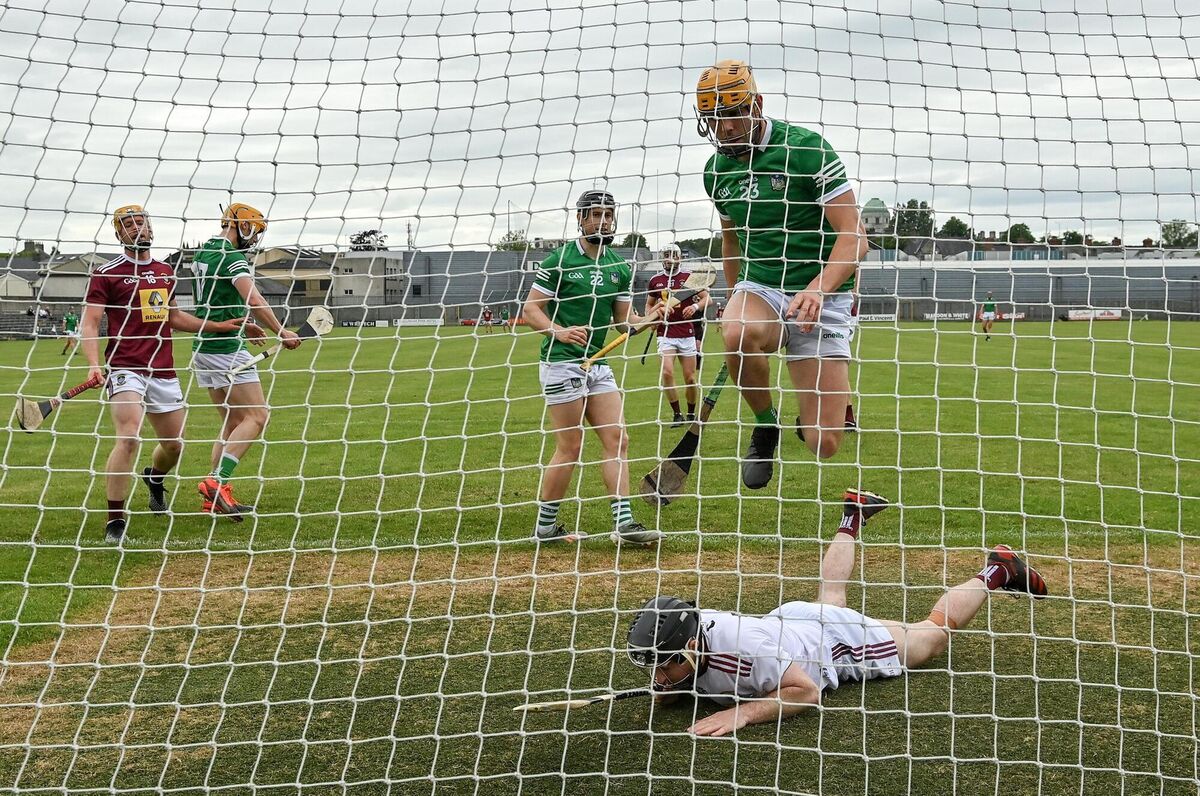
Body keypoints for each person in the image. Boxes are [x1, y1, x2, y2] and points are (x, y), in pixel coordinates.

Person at [625, 490, 1048, 736]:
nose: (658, 675)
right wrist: (669, 688)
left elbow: (806, 692)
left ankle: (998, 569)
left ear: (694, 646)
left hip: (831, 641)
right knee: (831, 595)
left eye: (665, 665)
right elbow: (684, 681)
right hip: (789, 622)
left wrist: (745, 711)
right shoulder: (689, 638)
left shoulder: (744, 650)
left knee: (931, 638)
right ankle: (853, 514)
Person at [697, 60, 868, 489]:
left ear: (757, 105)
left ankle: (808, 417)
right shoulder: (716, 171)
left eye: (733, 114)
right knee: (736, 332)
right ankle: (764, 424)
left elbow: (854, 236)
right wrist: (734, 294)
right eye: (715, 119)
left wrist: (818, 289)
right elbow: (731, 240)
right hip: (763, 289)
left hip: (822, 296)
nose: (726, 128)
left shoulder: (807, 148)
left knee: (824, 442)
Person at [82, 204, 261, 544]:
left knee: (175, 446)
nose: (137, 229)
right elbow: (91, 323)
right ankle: (115, 522)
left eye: (141, 222)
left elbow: (174, 318)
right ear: (119, 233)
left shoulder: (164, 271)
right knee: (129, 436)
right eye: (129, 225)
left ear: (151, 228)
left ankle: (154, 477)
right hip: (125, 367)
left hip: (162, 369)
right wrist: (94, 363)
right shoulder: (107, 273)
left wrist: (218, 326)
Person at [521, 189, 666, 546]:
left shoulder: (618, 266)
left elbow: (624, 323)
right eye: (595, 214)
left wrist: (650, 319)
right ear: (580, 219)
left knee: (619, 439)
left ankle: (625, 525)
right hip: (561, 363)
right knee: (570, 446)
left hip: (598, 364)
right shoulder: (560, 259)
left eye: (608, 214)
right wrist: (561, 331)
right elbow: (530, 310)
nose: (603, 221)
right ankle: (545, 529)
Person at [190, 202, 298, 520]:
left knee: (232, 423)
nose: (254, 238)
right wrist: (281, 331)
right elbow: (253, 297)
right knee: (258, 416)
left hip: (204, 348)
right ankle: (217, 482)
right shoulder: (232, 257)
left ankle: (214, 499)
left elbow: (216, 298)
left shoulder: (204, 252)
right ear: (242, 225)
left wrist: (244, 322)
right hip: (225, 350)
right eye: (254, 230)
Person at [647, 243, 710, 427]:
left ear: (679, 257)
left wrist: (695, 306)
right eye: (666, 255)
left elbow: (708, 298)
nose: (669, 258)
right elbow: (649, 304)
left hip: (686, 332)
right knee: (667, 372)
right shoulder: (655, 280)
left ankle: (691, 413)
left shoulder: (689, 277)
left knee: (690, 378)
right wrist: (651, 318)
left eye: (672, 255)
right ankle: (677, 414)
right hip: (665, 332)